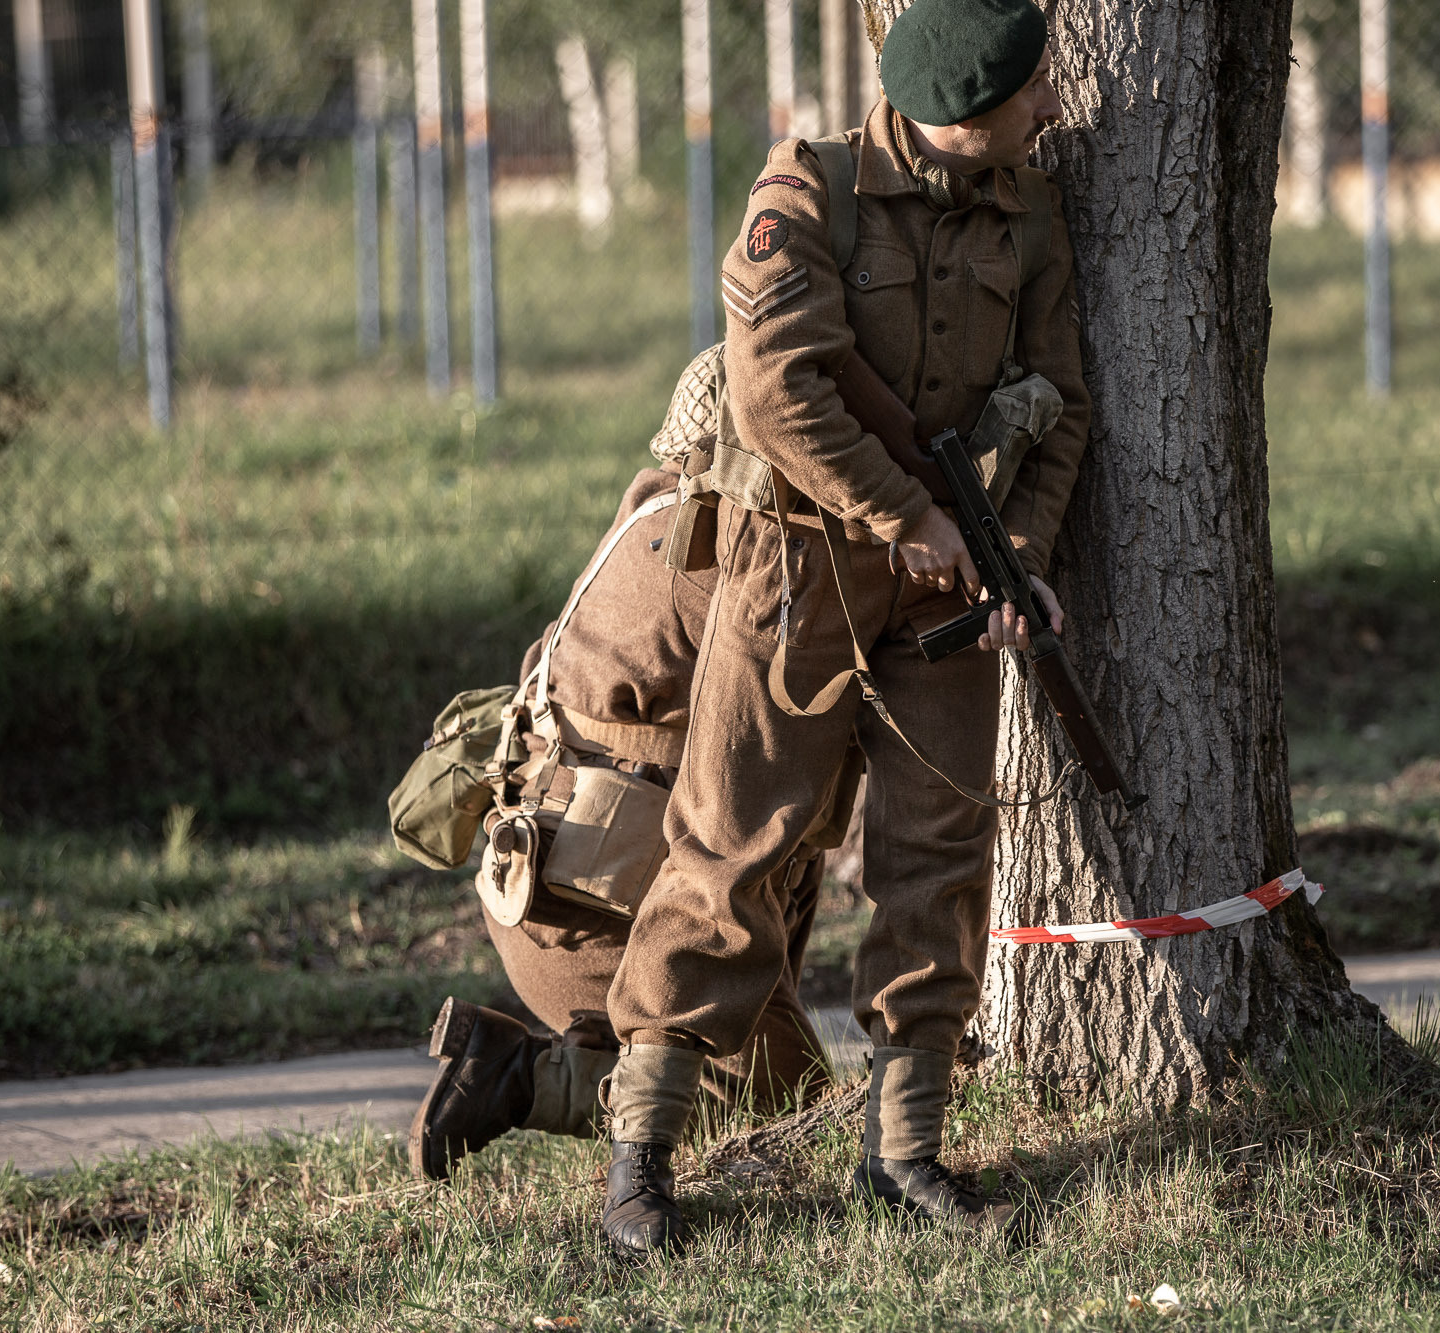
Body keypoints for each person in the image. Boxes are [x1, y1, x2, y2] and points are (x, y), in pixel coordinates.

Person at [597, 0, 1088, 1257]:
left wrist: (1009, 554)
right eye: (1029, 98)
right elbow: (772, 390)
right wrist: (900, 513)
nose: (1048, 112)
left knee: (939, 853)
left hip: (947, 595)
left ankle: (905, 1150)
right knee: (733, 842)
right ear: (967, 116)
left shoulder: (1027, 209)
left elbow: (1065, 402)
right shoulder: (804, 192)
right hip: (796, 569)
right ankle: (639, 1160)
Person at [408, 463, 859, 1181]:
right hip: (605, 914)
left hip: (553, 886)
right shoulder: (732, 551)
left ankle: (579, 1063)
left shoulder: (647, 513)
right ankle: (529, 1079)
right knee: (786, 1099)